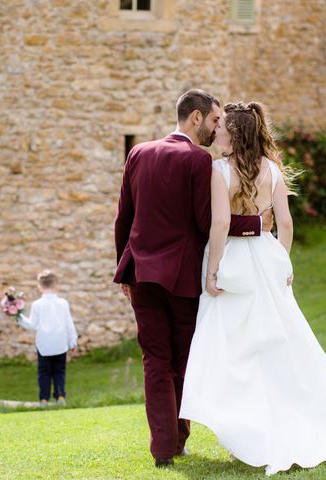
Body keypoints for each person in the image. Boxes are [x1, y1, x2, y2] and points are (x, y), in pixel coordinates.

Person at [179, 101, 326, 475]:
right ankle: (278, 423)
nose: (216, 133)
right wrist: (281, 262)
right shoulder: (273, 172)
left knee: (235, 351)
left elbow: (218, 226)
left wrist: (212, 272)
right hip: (265, 258)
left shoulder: (219, 171)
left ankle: (250, 432)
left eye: (222, 130)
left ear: (235, 135)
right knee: (282, 344)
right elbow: (287, 225)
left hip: (232, 258)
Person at [113, 89, 273, 467]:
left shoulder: (138, 152)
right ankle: (179, 438)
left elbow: (124, 216)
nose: (218, 127)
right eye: (215, 120)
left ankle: (163, 449)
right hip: (183, 278)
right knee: (183, 360)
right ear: (196, 117)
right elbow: (208, 222)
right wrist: (256, 225)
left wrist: (123, 267)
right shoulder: (198, 161)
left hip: (141, 274)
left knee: (154, 359)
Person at [18, 270, 78, 407]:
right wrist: (72, 341)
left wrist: (18, 317)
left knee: (44, 372)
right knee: (59, 371)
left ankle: (43, 399)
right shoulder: (63, 303)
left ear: (39, 287)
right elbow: (69, 324)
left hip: (44, 345)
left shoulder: (37, 305)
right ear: (57, 285)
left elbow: (32, 324)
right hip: (60, 343)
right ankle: (60, 396)